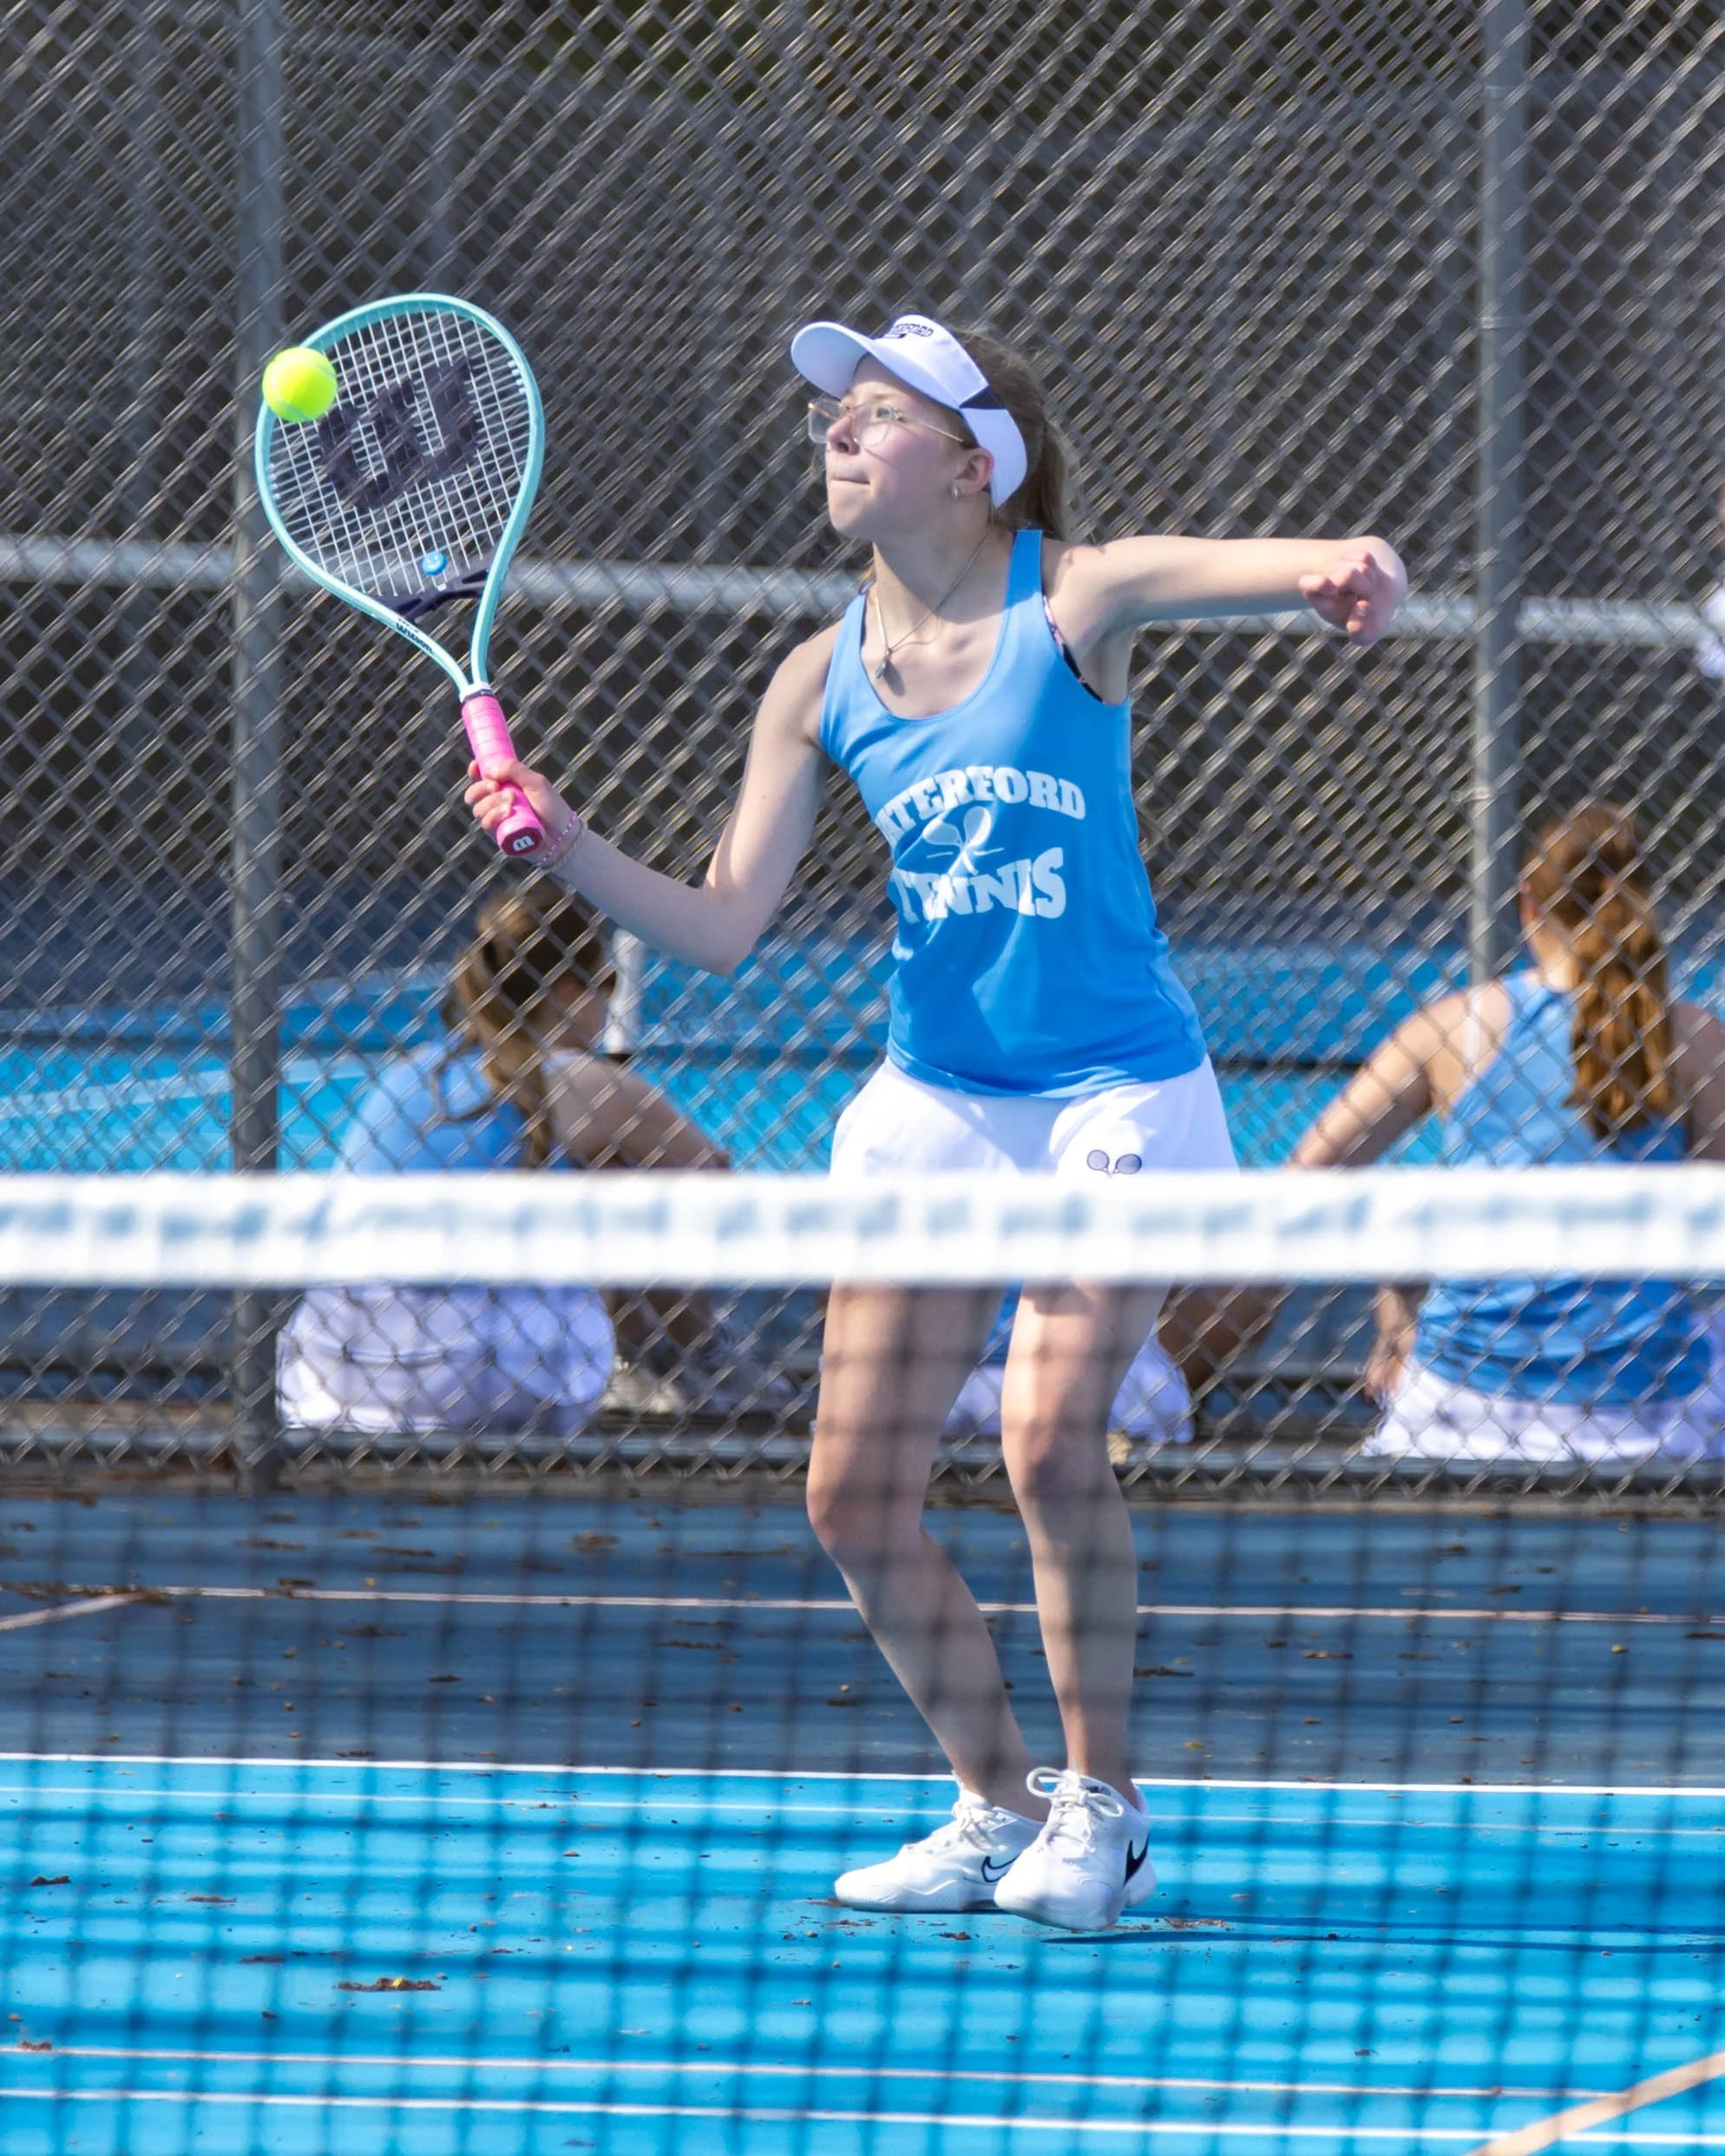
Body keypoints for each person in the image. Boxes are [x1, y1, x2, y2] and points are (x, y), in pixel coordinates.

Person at [468, 311, 1404, 1929]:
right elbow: (716, 922)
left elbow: (1307, 556)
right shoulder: (816, 676)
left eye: (876, 411)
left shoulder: (1073, 599)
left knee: (1049, 1438)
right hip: (938, 1104)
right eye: (832, 409)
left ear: (977, 465)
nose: (833, 428)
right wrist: (566, 845)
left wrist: (1351, 574)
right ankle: (992, 1803)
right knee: (848, 1493)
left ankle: (1100, 1814)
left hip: (1116, 1091)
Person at [1291, 803, 1725, 1461]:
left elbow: (1309, 1175)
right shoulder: (1693, 1039)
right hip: (1647, 1419)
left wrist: (1398, 1298)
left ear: (1527, 899)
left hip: (1457, 1415)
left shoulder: (1452, 1029)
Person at [279, 882, 753, 1436]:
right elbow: (714, 1184)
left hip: (335, 1374)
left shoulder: (414, 1071)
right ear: (571, 992)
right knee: (625, 1185)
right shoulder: (585, 1083)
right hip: (485, 1381)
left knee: (574, 1183)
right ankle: (706, 1359)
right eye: (606, 985)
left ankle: (648, 1358)